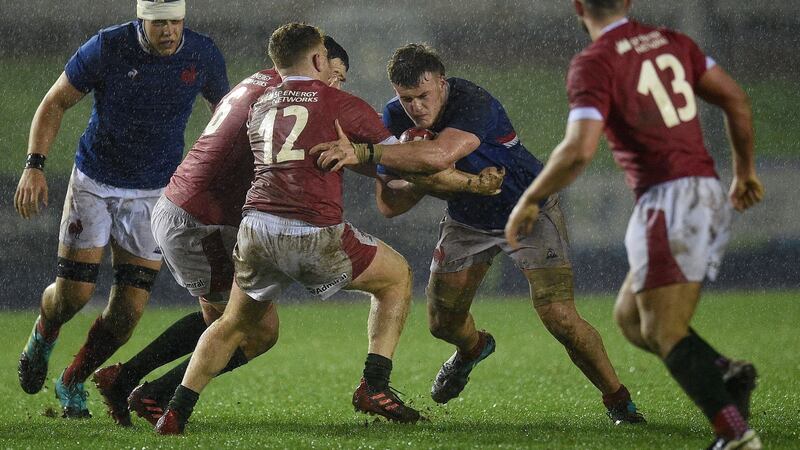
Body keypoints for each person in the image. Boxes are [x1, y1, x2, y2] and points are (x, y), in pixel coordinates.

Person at [312, 43, 645, 424]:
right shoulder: (394, 119)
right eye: (407, 99)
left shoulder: (472, 101)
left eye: (423, 95)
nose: (416, 108)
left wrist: (369, 153)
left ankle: (619, 402)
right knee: (442, 324)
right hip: (467, 220)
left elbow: (439, 155)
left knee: (560, 317)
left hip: (528, 210)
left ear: (441, 82)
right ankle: (473, 350)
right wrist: (417, 178)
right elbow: (391, 206)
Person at [504, 1, 763, 448]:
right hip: (696, 190)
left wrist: (529, 198)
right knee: (630, 320)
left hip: (670, 198)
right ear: (627, 2)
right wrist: (743, 171)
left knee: (664, 330)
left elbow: (579, 149)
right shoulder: (673, 41)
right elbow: (735, 98)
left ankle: (734, 434)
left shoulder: (595, 62)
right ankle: (726, 372)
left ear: (578, 6)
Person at [154, 23, 426, 435]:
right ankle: (374, 385)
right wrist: (426, 159)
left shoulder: (260, 102)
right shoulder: (339, 102)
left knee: (230, 323)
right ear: (319, 59)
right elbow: (401, 170)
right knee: (397, 278)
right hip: (314, 232)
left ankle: (174, 412)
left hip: (256, 229)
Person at [90, 35, 351, 427]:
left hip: (187, 208)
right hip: (203, 221)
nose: (337, 87)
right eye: (337, 74)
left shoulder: (260, 81)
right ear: (315, 60)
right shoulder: (292, 99)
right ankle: (148, 392)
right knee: (255, 331)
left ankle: (129, 381)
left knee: (229, 319)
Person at [14, 0, 229, 419]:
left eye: (174, 21)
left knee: (128, 314)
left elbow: (224, 111)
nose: (168, 31)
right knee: (73, 297)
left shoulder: (202, 53)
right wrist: (34, 166)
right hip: (95, 182)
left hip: (155, 193)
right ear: (141, 20)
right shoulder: (107, 47)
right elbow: (55, 101)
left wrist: (211, 167)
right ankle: (44, 333)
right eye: (157, 22)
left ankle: (73, 379)